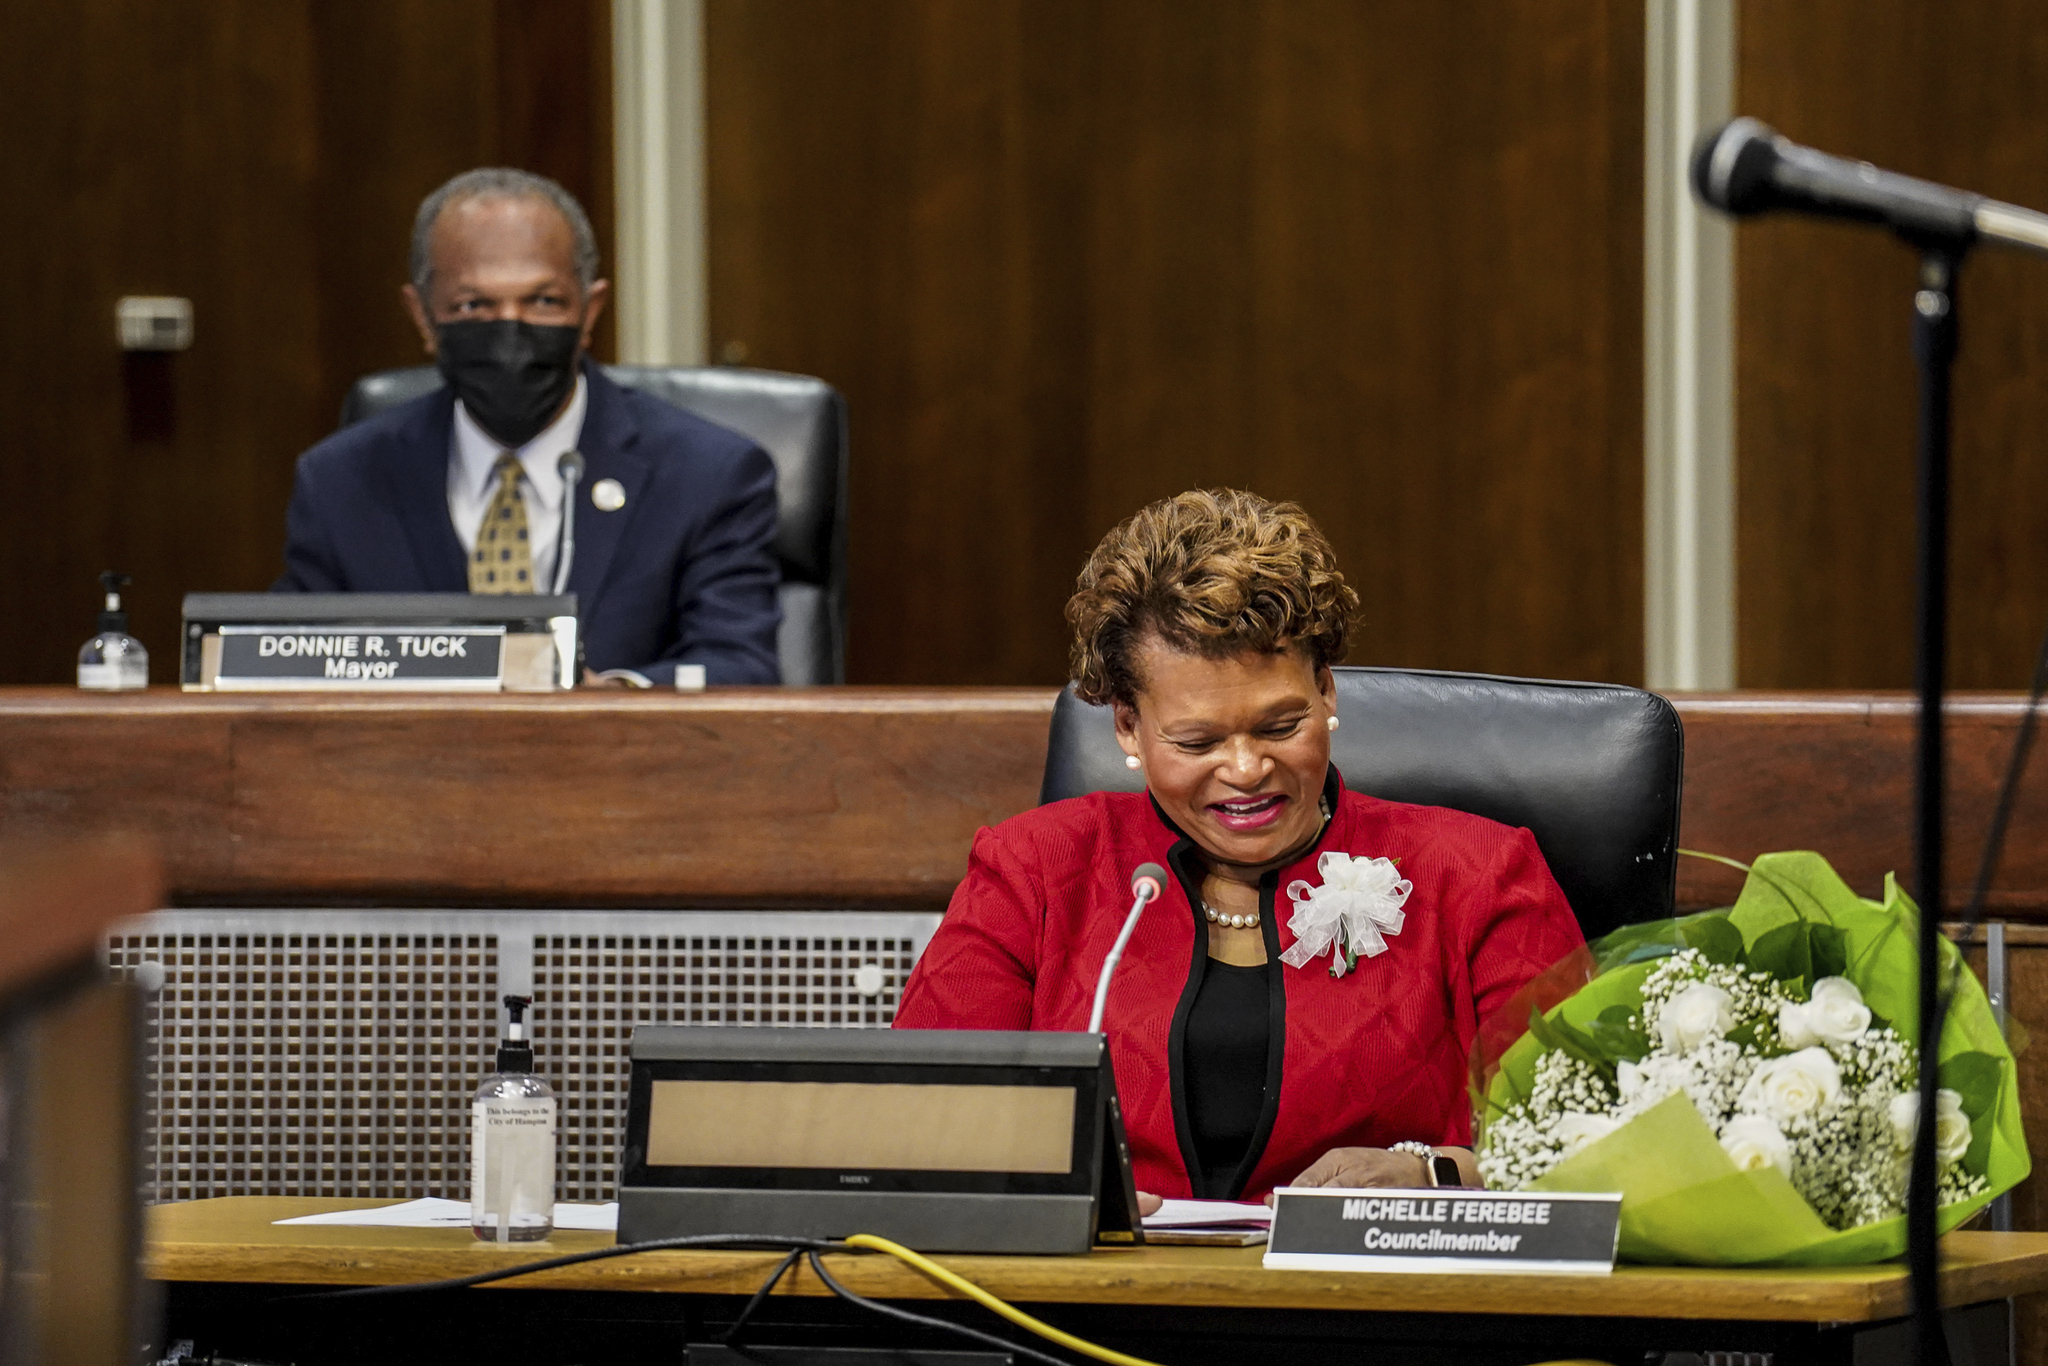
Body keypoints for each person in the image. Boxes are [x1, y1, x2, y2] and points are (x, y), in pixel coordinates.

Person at [894, 489, 1585, 1203]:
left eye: (1281, 726)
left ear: (1326, 691)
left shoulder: (1479, 873)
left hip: (1376, 1266)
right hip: (1106, 1271)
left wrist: (1431, 1174)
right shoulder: (1034, 870)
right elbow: (920, 1117)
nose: (1248, 769)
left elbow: (1589, 1140)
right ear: (1128, 727)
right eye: (1198, 741)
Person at [273, 168, 782, 686]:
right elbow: (288, 666)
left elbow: (741, 666)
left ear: (590, 311)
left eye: (543, 302)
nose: (509, 332)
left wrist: (615, 699)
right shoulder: (341, 482)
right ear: (423, 317)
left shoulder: (708, 475)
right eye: (474, 305)